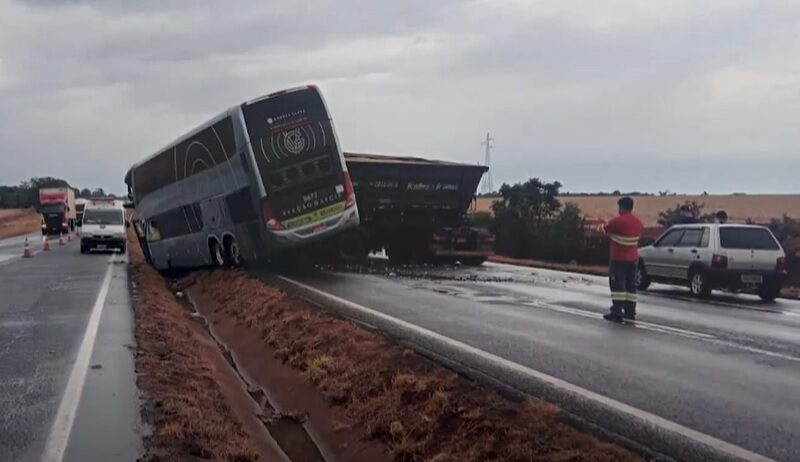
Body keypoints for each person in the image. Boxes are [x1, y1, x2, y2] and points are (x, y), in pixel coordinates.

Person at [603, 197, 644, 323]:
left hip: (618, 259)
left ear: (621, 207)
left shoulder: (617, 221)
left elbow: (607, 228)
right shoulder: (638, 223)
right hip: (633, 259)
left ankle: (616, 312)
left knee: (618, 286)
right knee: (631, 287)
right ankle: (630, 312)